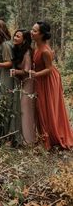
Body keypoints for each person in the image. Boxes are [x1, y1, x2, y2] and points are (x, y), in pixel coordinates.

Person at [30, 21, 73, 150]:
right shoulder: (37, 46)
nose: (32, 32)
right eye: (32, 29)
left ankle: (49, 138)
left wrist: (35, 74)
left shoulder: (44, 51)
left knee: (45, 107)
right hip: (41, 78)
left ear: (42, 34)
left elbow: (49, 69)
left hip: (48, 80)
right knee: (40, 107)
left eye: (35, 31)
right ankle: (44, 136)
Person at [11, 29, 36, 145]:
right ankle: (19, 136)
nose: (15, 37)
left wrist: (15, 71)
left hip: (29, 81)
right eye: (15, 35)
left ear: (24, 39)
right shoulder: (17, 50)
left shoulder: (27, 52)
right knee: (19, 108)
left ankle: (28, 140)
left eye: (18, 36)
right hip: (21, 82)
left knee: (25, 108)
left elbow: (27, 71)